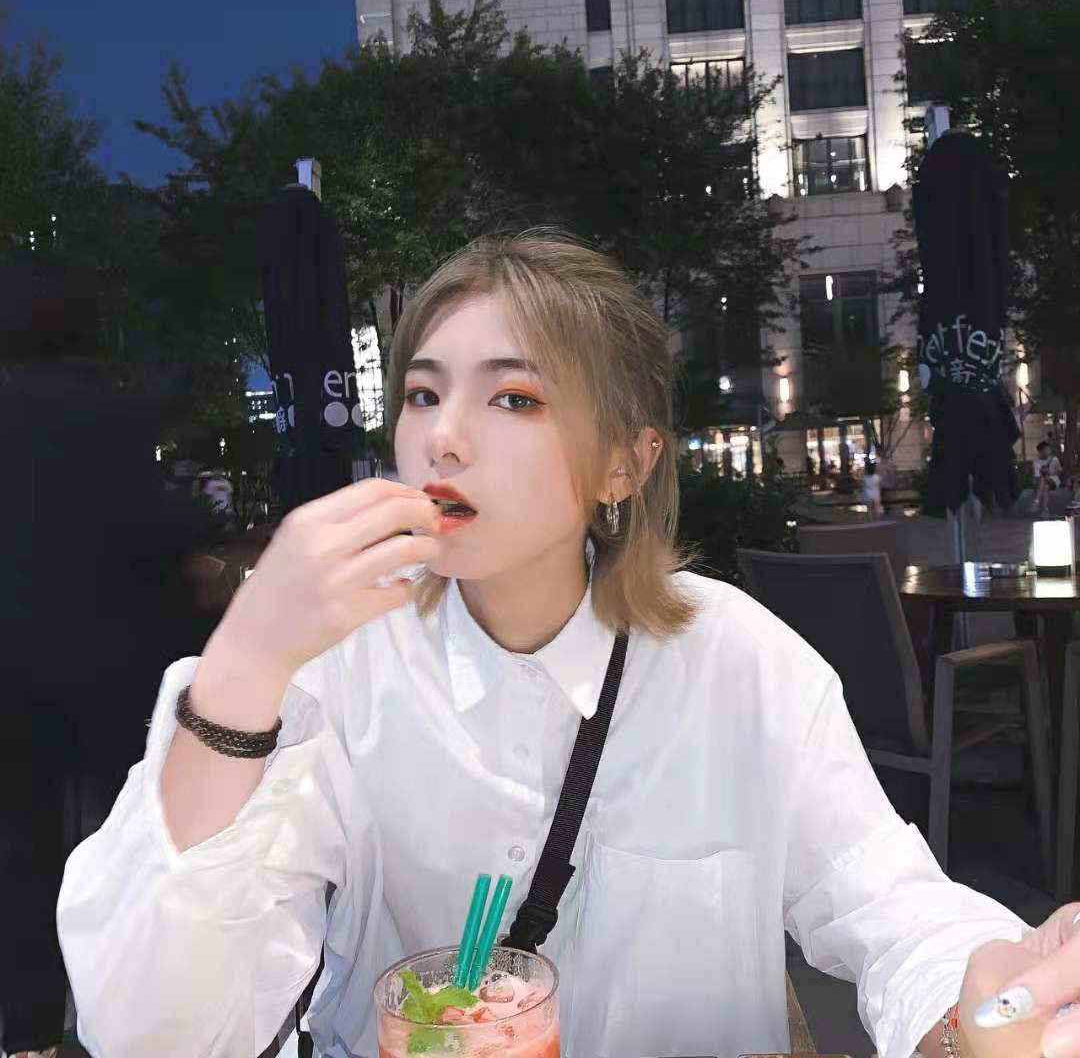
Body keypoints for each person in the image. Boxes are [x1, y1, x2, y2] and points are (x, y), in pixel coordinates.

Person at [57, 233, 1080, 1058]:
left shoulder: (741, 664)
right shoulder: (342, 663)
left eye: (514, 398)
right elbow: (154, 1033)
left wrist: (996, 1001)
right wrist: (241, 669)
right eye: (423, 394)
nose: (443, 436)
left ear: (623, 465)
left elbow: (893, 906)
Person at [0, 269, 208, 1058]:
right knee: (134, 838)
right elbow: (155, 525)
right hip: (110, 674)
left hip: (10, 679)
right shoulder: (113, 417)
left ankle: (29, 1032)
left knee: (19, 853)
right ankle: (138, 1014)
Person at [1032, 440, 1063, 516]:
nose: (1048, 451)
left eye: (1049, 449)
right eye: (1046, 450)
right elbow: (1037, 476)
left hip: (1054, 481)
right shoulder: (1036, 462)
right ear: (1041, 451)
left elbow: (1060, 471)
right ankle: (1045, 510)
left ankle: (1036, 502)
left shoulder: (1054, 459)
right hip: (1043, 482)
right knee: (1045, 486)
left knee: (1043, 479)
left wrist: (1052, 473)